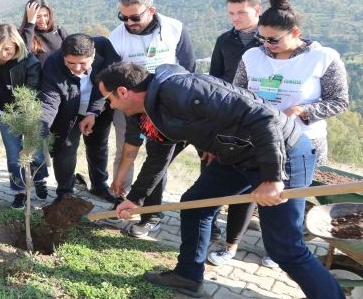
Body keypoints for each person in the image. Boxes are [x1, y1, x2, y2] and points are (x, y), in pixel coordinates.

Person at [99, 62, 344, 299]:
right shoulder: (154, 109)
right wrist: (135, 198)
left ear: (123, 91)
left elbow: (263, 117)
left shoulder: (183, 90)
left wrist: (272, 177)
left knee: (285, 249)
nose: (110, 107)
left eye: (109, 99)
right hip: (237, 155)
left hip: (283, 155)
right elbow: (158, 159)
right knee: (194, 204)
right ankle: (188, 276)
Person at [207, 0, 350, 268]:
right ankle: (231, 246)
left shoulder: (323, 58)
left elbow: (339, 102)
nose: (267, 45)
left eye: (274, 40)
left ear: (295, 33)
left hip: (302, 144)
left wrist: (302, 111)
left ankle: (278, 251)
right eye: (262, 39)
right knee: (248, 194)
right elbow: (239, 95)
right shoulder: (252, 56)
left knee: (285, 201)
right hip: (256, 141)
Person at [108, 0, 195, 237]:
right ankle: (127, 200)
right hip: (135, 107)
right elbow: (115, 75)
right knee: (137, 152)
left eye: (135, 17)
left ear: (151, 11)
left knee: (158, 160)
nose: (129, 22)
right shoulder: (117, 36)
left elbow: (187, 68)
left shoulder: (175, 29)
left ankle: (152, 215)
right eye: (123, 17)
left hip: (170, 108)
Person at [206, 0, 263, 242]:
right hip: (225, 118)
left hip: (257, 119)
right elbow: (215, 80)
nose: (235, 18)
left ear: (257, 11)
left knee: (246, 180)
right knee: (212, 171)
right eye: (231, 13)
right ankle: (211, 221)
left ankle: (236, 232)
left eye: (241, 12)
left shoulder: (270, 41)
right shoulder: (224, 41)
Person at [40, 33, 120, 202]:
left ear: (93, 55)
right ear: (63, 56)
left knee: (98, 146)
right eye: (70, 63)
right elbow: (49, 100)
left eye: (83, 63)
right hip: (67, 110)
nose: (77, 68)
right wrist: (41, 128)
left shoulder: (105, 50)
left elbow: (108, 84)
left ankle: (99, 185)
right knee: (65, 148)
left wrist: (93, 112)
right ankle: (65, 192)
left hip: (100, 106)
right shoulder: (53, 63)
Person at [0, 24, 49, 209]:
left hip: (29, 114)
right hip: (6, 115)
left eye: (7, 49)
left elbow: (32, 91)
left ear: (16, 44)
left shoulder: (30, 62)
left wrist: (28, 121)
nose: (3, 54)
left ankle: (39, 178)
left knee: (34, 152)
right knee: (13, 156)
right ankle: (19, 191)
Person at [20, 0, 68, 65]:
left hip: (59, 74)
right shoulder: (25, 34)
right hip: (38, 75)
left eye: (45, 15)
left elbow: (71, 53)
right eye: (37, 17)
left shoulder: (59, 31)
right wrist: (30, 24)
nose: (42, 20)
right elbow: (24, 55)